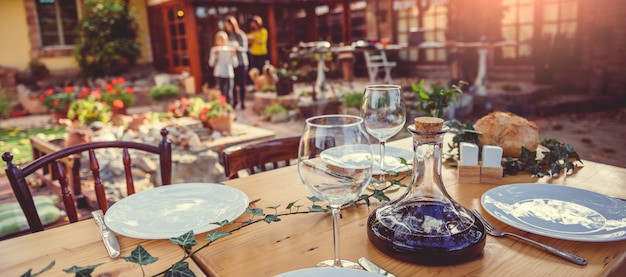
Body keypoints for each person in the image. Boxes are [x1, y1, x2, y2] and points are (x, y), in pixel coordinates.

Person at [224, 15, 248, 109]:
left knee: (241, 84)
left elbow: (244, 48)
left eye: (228, 26)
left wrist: (236, 48)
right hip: (232, 63)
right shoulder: (228, 36)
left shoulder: (240, 34)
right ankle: (235, 101)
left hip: (242, 62)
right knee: (233, 84)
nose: (227, 28)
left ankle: (243, 102)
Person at [208, 31, 238, 105]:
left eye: (223, 40)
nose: (221, 42)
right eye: (219, 40)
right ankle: (222, 109)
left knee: (228, 93)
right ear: (216, 41)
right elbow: (211, 64)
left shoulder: (230, 49)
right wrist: (215, 56)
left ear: (226, 41)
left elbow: (235, 64)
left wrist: (233, 55)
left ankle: (229, 108)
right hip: (218, 74)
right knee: (221, 93)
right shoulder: (214, 50)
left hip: (228, 74)